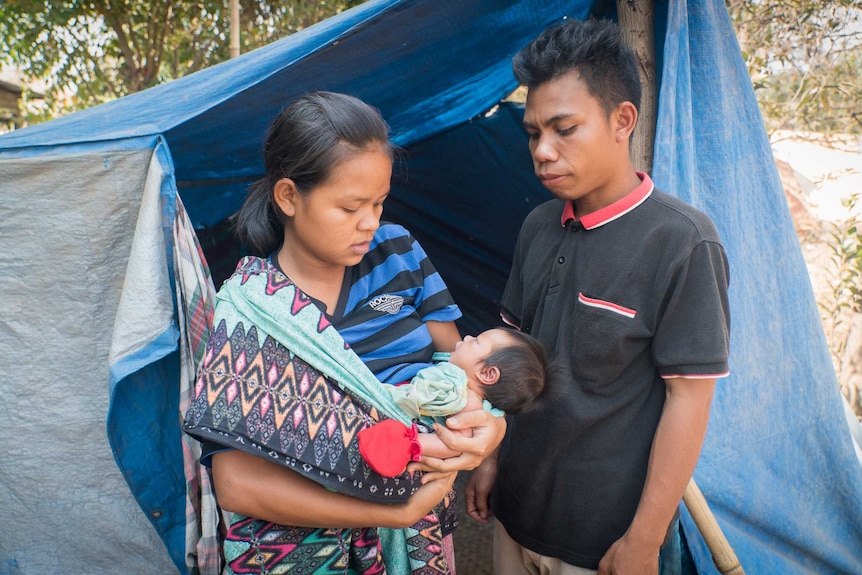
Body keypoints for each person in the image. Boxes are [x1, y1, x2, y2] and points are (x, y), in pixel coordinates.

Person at [183, 91, 506, 575]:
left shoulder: (399, 254)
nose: (370, 223)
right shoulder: (250, 310)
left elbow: (462, 371)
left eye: (379, 202)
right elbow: (238, 484)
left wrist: (491, 429)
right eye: (351, 206)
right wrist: (387, 512)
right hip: (296, 555)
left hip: (419, 539)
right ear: (289, 196)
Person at [459, 19, 731, 575]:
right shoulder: (538, 225)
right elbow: (508, 355)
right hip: (516, 511)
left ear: (621, 120)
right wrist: (490, 459)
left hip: (604, 543)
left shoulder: (682, 242)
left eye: (564, 128)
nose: (542, 150)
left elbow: (689, 401)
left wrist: (645, 541)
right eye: (534, 133)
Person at [358, 327, 548, 477]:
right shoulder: (457, 380)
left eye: (476, 341)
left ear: (487, 374)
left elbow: (454, 444)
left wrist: (412, 443)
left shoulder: (466, 398)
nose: (466, 337)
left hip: (400, 433)